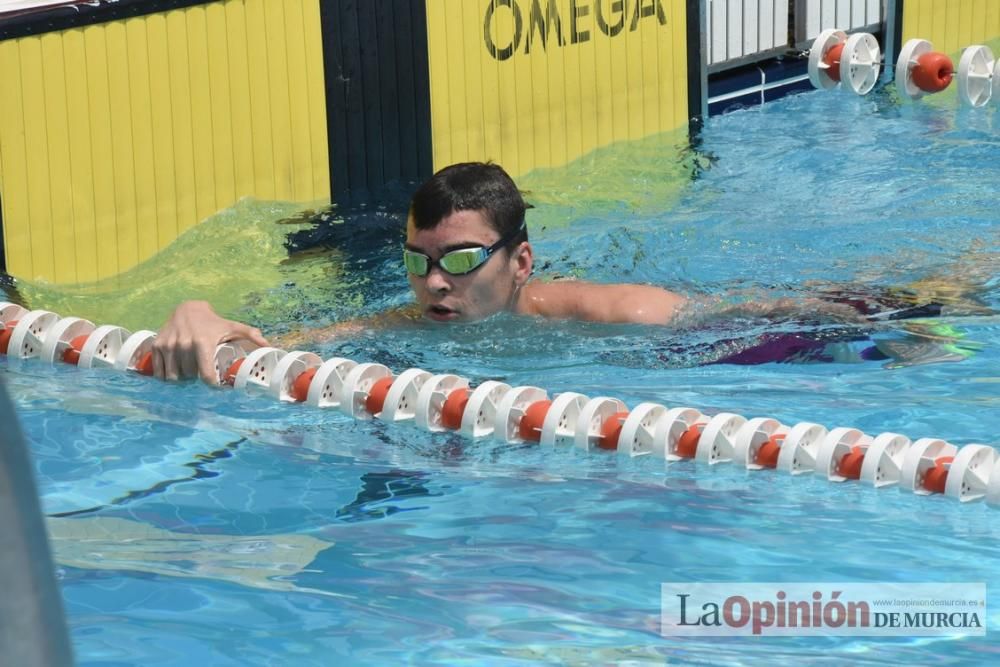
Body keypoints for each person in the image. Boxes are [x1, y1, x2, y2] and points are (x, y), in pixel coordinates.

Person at [151, 162, 958, 383]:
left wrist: (885, 328)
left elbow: (771, 313)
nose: (435, 284)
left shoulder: (613, 311)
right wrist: (198, 309)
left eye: (461, 262)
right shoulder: (409, 326)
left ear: (521, 261)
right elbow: (283, 343)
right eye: (419, 262)